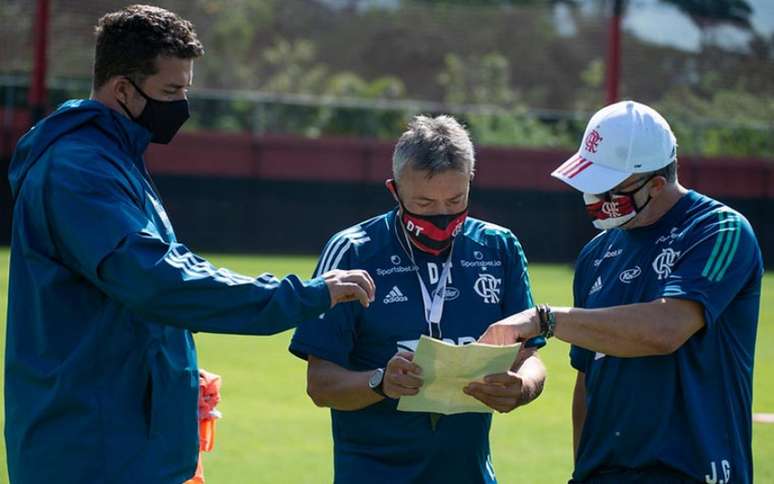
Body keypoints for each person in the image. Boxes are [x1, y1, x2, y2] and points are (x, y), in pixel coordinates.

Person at [4, 5, 374, 483]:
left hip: (127, 441)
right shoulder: (78, 170)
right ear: (122, 89)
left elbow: (133, 303)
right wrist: (304, 294)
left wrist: (173, 379)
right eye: (170, 91)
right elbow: (158, 282)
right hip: (88, 451)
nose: (182, 105)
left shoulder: (114, 157)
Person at [479, 101, 763, 484]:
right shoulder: (596, 254)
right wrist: (581, 471)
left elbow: (666, 330)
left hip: (696, 471)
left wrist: (544, 319)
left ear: (656, 183)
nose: (593, 198)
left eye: (607, 188)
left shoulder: (720, 230)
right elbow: (588, 377)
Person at [289, 114, 546, 483]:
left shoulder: (498, 247)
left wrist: (522, 387)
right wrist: (380, 382)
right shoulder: (352, 252)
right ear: (395, 191)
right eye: (424, 205)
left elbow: (529, 357)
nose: (441, 217)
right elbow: (320, 383)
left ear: (471, 183)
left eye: (455, 200)